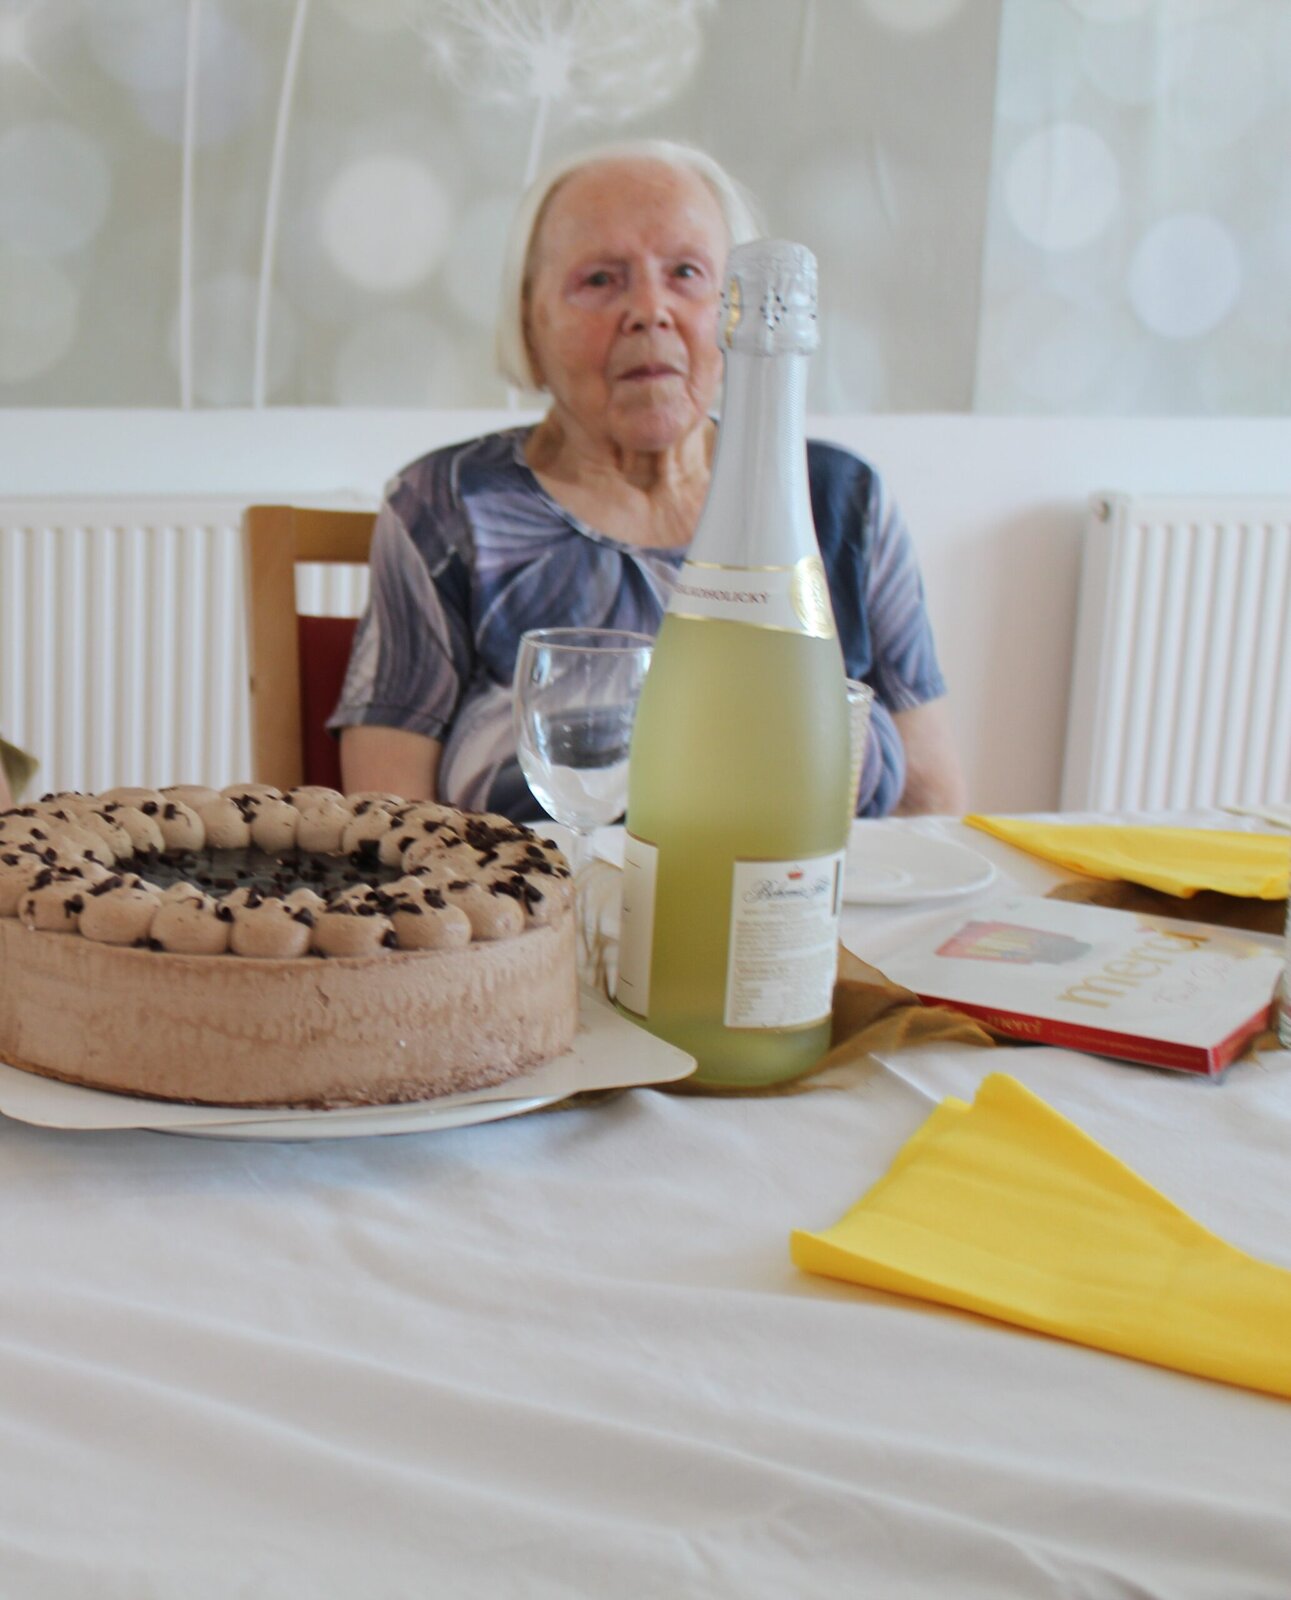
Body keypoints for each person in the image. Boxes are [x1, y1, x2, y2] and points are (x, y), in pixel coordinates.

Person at [330, 139, 967, 819]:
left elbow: (930, 802)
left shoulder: (842, 502)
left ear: (740, 312)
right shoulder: (446, 504)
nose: (650, 310)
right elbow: (388, 807)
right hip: (547, 889)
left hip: (813, 889)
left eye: (687, 272)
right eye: (600, 280)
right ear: (528, 321)